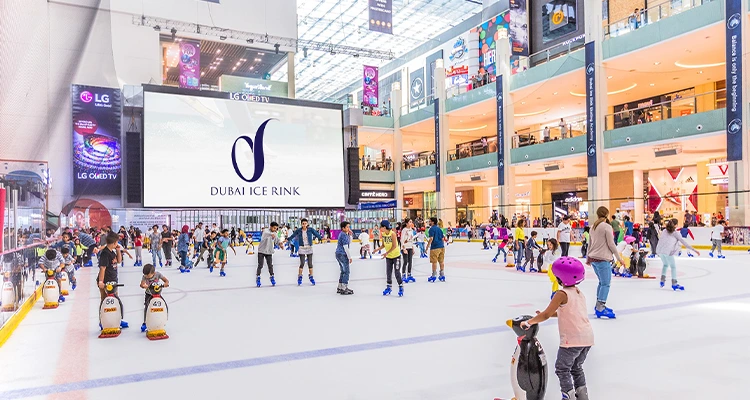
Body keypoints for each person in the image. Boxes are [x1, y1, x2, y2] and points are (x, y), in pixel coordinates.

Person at [521, 257, 594, 400]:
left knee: (562, 368)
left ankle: (568, 396)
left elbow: (547, 314)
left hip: (572, 340)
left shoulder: (561, 294)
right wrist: (542, 314)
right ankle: (583, 396)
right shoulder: (578, 293)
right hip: (587, 338)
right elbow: (568, 312)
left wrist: (529, 322)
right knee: (576, 368)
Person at [587, 206, 625, 319]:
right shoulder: (606, 226)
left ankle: (599, 305)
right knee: (606, 283)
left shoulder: (593, 227)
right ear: (607, 214)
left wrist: (588, 258)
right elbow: (611, 244)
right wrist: (619, 258)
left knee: (601, 282)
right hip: (602, 259)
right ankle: (600, 307)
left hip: (593, 258)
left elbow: (589, 244)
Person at [97, 232, 129, 329]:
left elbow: (118, 261)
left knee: (115, 300)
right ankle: (102, 321)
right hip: (106, 281)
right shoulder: (105, 254)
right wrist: (101, 282)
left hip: (113, 280)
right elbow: (102, 268)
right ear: (115, 242)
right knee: (104, 301)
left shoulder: (112, 252)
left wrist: (118, 250)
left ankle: (117, 319)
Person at [656, 220, 699, 290]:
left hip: (660, 251)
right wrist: (694, 250)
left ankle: (662, 281)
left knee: (665, 264)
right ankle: (674, 283)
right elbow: (684, 242)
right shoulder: (676, 233)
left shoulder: (664, 231)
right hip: (668, 252)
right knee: (673, 267)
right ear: (676, 225)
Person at [287, 218, 323, 286]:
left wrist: (321, 238)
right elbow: (293, 235)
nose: (304, 225)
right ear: (301, 224)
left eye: (305, 223)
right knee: (302, 263)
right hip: (302, 248)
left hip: (309, 247)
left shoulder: (310, 229)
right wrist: (288, 239)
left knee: (310, 264)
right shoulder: (299, 230)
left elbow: (316, 233)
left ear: (307, 224)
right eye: (303, 224)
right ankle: (300, 276)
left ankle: (311, 276)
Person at [373, 220, 404, 296]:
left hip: (396, 256)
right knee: (388, 272)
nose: (380, 228)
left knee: (397, 272)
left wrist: (386, 253)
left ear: (384, 227)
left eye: (381, 227)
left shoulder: (392, 234)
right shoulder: (383, 234)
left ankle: (401, 286)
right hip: (389, 257)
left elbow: (394, 246)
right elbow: (383, 245)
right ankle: (389, 287)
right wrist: (377, 249)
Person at [139, 263, 169, 333]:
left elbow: (166, 281)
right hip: (149, 294)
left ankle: (163, 319)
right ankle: (145, 322)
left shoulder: (158, 274)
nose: (147, 277)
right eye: (146, 276)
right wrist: (144, 285)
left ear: (154, 273)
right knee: (147, 307)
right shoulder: (144, 277)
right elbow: (141, 284)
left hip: (157, 294)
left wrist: (165, 284)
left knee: (163, 305)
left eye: (148, 276)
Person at [256, 222, 281, 287]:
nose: (275, 229)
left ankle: (272, 276)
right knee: (260, 265)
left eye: (276, 228)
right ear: (270, 227)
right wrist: (271, 234)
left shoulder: (275, 233)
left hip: (269, 251)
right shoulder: (266, 231)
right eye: (274, 228)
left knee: (270, 265)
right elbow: (266, 234)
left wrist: (280, 243)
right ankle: (258, 277)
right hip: (261, 250)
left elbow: (276, 240)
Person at [335, 222, 354, 295]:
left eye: (349, 227)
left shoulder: (343, 234)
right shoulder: (343, 235)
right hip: (342, 254)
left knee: (343, 271)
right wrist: (349, 257)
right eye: (347, 227)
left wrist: (350, 235)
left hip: (338, 254)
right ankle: (344, 288)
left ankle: (340, 287)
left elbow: (349, 243)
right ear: (343, 228)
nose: (348, 228)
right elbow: (346, 247)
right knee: (346, 271)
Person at [425, 217, 446, 282]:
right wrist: (441, 245)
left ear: (433, 222)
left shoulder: (431, 229)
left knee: (434, 262)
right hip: (441, 247)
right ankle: (442, 275)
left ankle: (434, 275)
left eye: (430, 221)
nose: (429, 222)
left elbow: (431, 238)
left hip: (435, 247)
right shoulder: (439, 229)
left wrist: (427, 248)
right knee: (441, 261)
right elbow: (443, 239)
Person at [400, 218, 416, 283]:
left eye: (411, 222)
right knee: (405, 261)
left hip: (410, 247)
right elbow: (402, 240)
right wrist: (404, 249)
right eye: (410, 222)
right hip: (405, 248)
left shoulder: (411, 230)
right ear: (406, 223)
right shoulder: (404, 230)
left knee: (410, 262)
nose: (411, 223)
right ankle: (403, 275)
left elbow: (411, 240)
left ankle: (409, 274)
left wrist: (413, 248)